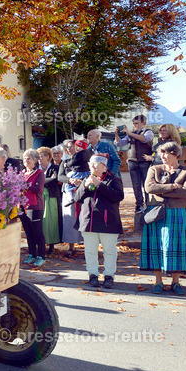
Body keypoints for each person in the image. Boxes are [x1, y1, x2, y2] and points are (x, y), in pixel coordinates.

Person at [142, 142, 186, 294]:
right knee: (157, 245)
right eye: (161, 153)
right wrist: (172, 187)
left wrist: (160, 190)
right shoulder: (154, 169)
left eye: (166, 153)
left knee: (177, 245)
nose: (162, 156)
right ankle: (158, 281)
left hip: (178, 212)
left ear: (176, 154)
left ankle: (176, 282)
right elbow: (149, 188)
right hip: (156, 211)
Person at [74, 154, 124, 288]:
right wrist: (85, 185)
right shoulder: (86, 179)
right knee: (90, 251)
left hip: (108, 222)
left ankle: (109, 276)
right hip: (88, 222)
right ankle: (93, 275)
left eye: (95, 164)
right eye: (90, 163)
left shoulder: (114, 179)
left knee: (109, 250)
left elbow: (118, 196)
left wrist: (100, 185)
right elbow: (77, 198)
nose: (92, 166)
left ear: (104, 166)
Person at [118, 115, 155, 212]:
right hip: (132, 161)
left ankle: (149, 204)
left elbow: (144, 139)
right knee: (136, 185)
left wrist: (130, 133)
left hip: (144, 162)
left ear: (144, 123)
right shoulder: (131, 133)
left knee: (146, 183)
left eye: (137, 123)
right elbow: (120, 143)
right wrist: (116, 135)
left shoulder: (148, 132)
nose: (135, 125)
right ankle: (139, 205)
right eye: (134, 123)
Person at [18, 150, 45, 266]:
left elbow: (38, 189)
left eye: (29, 158)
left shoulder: (39, 173)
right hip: (22, 206)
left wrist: (25, 184)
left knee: (38, 232)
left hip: (34, 206)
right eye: (24, 158)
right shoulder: (22, 173)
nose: (26, 161)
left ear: (35, 160)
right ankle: (32, 254)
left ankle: (41, 256)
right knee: (28, 232)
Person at [40, 147, 63, 253]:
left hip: (52, 197)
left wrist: (41, 181)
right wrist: (49, 179)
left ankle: (52, 244)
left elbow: (57, 179)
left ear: (48, 157)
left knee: (52, 220)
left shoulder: (55, 167)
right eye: (38, 156)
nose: (39, 158)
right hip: (40, 198)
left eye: (42, 156)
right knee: (42, 221)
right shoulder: (37, 168)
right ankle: (42, 243)